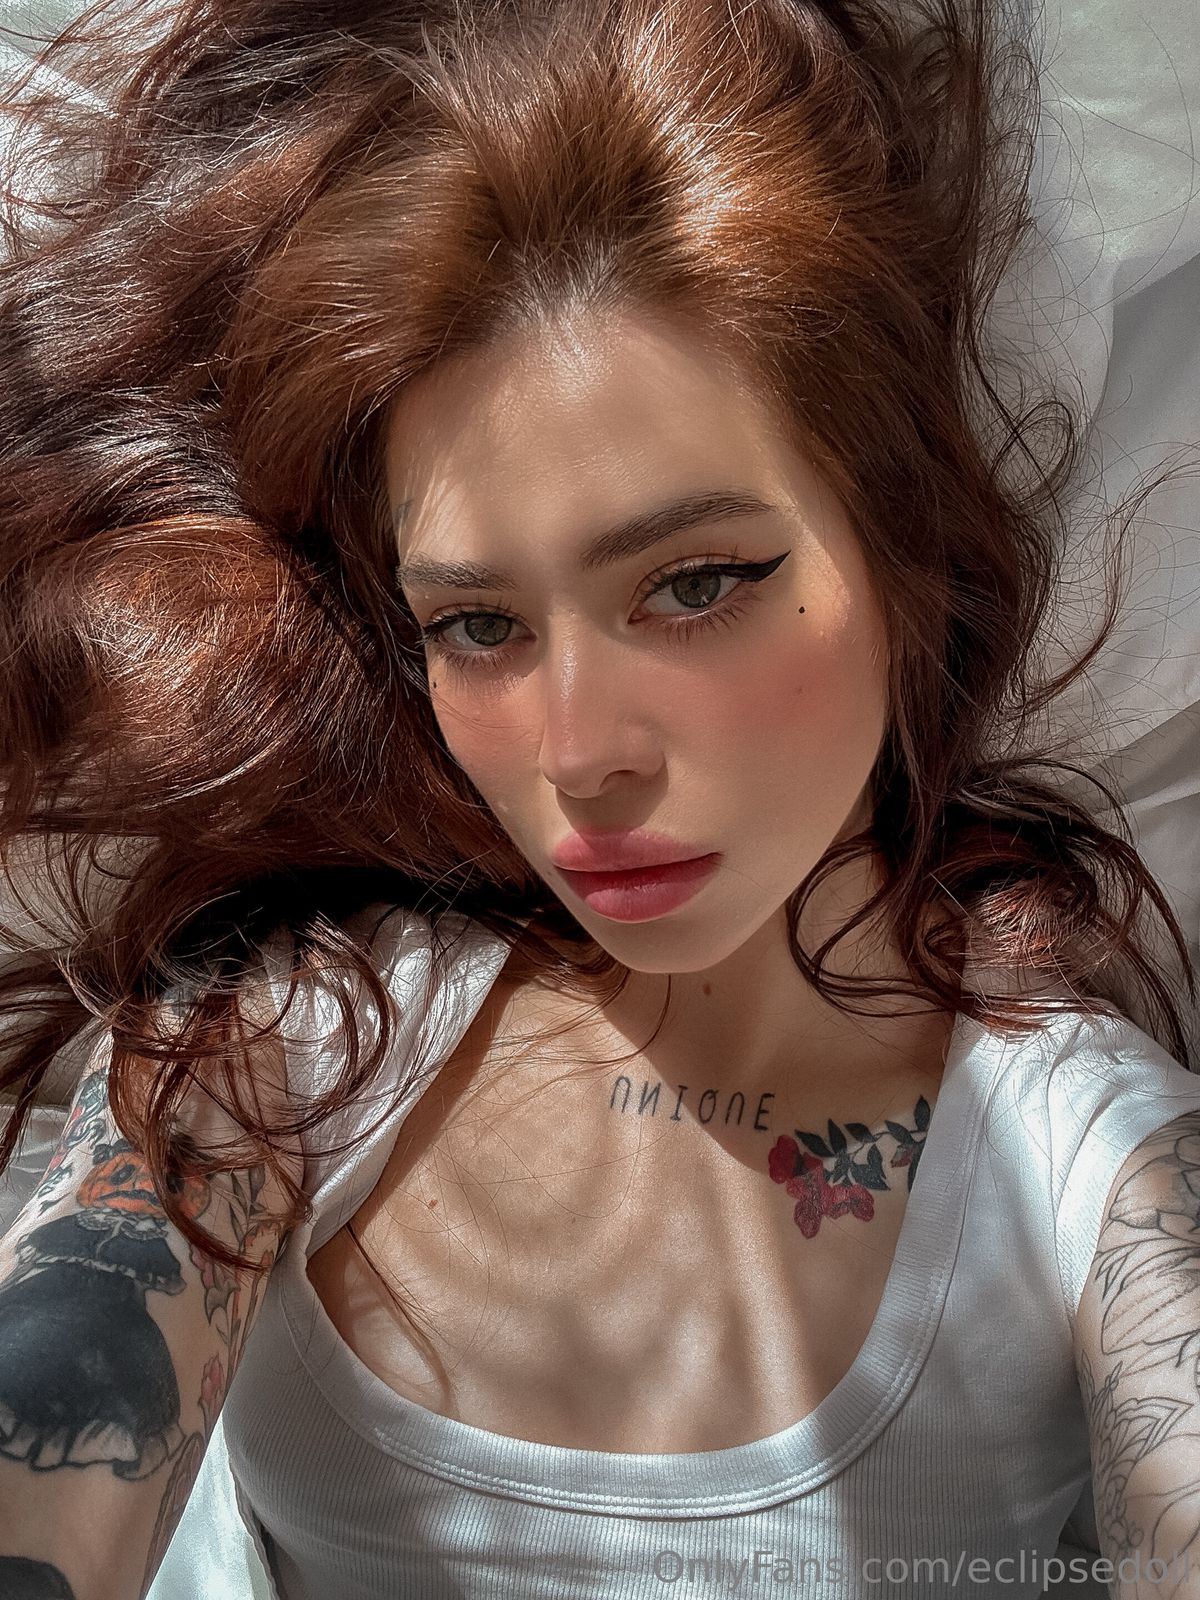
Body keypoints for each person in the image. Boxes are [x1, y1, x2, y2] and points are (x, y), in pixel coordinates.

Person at [0, 0, 1198, 1596]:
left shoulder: (1089, 1166)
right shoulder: (280, 1052)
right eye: (477, 626)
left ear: (901, 548)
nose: (578, 753)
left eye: (695, 582)